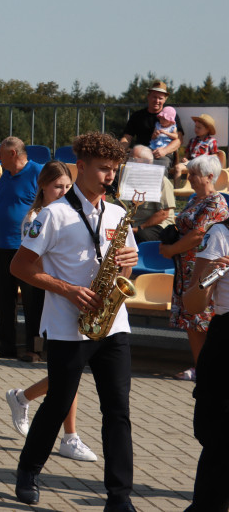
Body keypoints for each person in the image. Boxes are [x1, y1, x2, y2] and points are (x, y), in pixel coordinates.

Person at [9, 132, 138, 508]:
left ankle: (119, 495)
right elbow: (20, 266)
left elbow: (121, 265)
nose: (109, 176)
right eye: (102, 169)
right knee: (58, 403)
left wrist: (129, 263)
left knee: (118, 411)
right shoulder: (53, 214)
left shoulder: (117, 213)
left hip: (113, 325)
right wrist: (67, 290)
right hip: (68, 326)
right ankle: (29, 469)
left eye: (114, 170)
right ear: (80, 166)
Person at [3, 160, 98, 463]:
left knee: (69, 373)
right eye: (58, 186)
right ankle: (67, 435)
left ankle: (24, 399)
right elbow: (34, 264)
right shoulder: (37, 217)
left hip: (72, 296)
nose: (64, 191)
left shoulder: (71, 215)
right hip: (52, 296)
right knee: (67, 373)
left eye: (68, 187)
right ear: (42, 186)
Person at [160, 154, 229, 381]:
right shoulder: (193, 199)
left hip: (200, 267)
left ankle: (205, 368)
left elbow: (198, 235)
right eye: (189, 173)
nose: (189, 178)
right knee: (191, 321)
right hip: (184, 268)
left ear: (210, 177)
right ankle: (200, 366)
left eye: (194, 175)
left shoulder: (215, 204)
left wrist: (170, 250)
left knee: (200, 319)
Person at [183, 218, 229, 512]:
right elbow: (193, 304)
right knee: (218, 441)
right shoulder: (222, 233)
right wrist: (210, 275)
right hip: (226, 346)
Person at [0, 137, 44, 361]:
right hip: (2, 245)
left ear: (13, 154)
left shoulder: (38, 172)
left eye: (1, 154)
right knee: (4, 299)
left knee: (33, 300)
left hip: (27, 248)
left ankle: (34, 348)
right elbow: (2, 208)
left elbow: (51, 205)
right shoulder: (6, 175)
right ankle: (6, 345)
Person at [119, 80, 183, 171]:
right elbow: (127, 138)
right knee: (120, 168)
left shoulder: (172, 116)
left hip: (161, 153)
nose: (157, 101)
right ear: (148, 96)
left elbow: (179, 140)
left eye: (160, 98)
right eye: (154, 97)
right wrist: (118, 153)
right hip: (139, 153)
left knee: (159, 169)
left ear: (165, 99)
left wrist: (165, 151)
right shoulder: (137, 116)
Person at [128, 146, 175, 243]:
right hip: (134, 224)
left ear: (146, 162)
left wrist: (139, 228)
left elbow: (163, 214)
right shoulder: (128, 179)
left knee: (141, 236)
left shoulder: (161, 181)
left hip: (157, 225)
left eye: (132, 159)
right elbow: (120, 204)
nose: (128, 161)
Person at [173, 114, 219, 180]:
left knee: (201, 171)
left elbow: (215, 156)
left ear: (207, 129)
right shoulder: (192, 140)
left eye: (199, 128)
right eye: (195, 127)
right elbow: (187, 154)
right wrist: (185, 158)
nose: (196, 129)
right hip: (191, 162)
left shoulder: (212, 141)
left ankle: (199, 188)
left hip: (203, 164)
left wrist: (206, 159)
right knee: (178, 167)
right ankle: (176, 189)